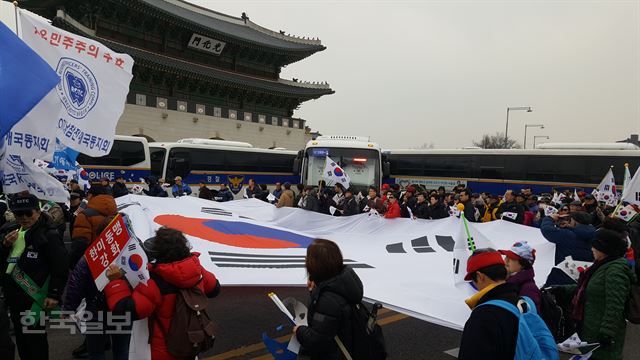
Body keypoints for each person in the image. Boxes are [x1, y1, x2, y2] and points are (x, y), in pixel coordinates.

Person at [104, 227, 221, 360]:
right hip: (190, 343)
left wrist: (115, 282)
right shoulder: (198, 270)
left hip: (164, 351)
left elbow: (125, 309)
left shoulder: (155, 282)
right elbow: (214, 289)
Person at [0, 195, 68, 360]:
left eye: (28, 213)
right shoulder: (12, 230)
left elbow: (60, 266)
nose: (23, 218)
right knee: (21, 340)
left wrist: (54, 293)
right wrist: (4, 245)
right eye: (18, 214)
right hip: (14, 296)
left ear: (37, 211)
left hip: (34, 299)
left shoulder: (49, 234)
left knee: (34, 340)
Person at [555, 230, 636, 360]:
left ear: (605, 249)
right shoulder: (602, 264)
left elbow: (615, 305)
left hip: (602, 335)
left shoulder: (615, 270)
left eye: (595, 246)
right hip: (591, 329)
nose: (592, 248)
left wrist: (607, 333)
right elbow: (588, 287)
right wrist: (562, 289)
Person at [64, 216, 130, 360]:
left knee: (96, 351)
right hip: (122, 309)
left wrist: (69, 307)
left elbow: (75, 283)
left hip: (95, 310)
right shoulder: (132, 254)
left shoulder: (91, 255)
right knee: (122, 349)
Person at [295, 239, 364, 360]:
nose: (305, 261)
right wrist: (315, 291)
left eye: (308, 258)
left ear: (316, 264)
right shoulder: (343, 282)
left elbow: (317, 340)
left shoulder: (328, 300)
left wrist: (299, 331)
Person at [458, 249, 519, 360]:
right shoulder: (519, 300)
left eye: (473, 280)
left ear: (480, 276)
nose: (475, 286)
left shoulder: (484, 315)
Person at [541, 212, 595, 286]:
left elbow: (546, 230)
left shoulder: (567, 235)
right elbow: (579, 232)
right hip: (581, 279)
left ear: (573, 221)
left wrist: (549, 218)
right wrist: (569, 227)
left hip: (562, 275)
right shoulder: (594, 234)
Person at [70, 186, 117, 268]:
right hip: (112, 264)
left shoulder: (84, 215)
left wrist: (73, 264)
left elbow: (80, 244)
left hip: (91, 264)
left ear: (90, 195)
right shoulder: (116, 214)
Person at [499, 241, 541, 310]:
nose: (506, 261)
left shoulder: (529, 289)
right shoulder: (506, 281)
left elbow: (530, 317)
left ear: (523, 264)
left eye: (511, 258)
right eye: (506, 256)